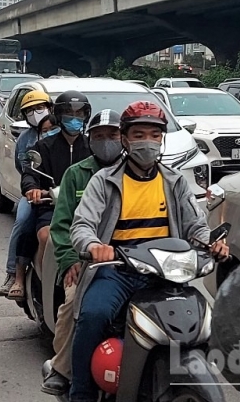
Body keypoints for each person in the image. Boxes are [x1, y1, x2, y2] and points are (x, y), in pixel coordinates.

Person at [67, 101, 229, 402]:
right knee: (94, 315)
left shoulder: (175, 181)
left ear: (162, 139)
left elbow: (196, 226)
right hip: (118, 271)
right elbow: (81, 226)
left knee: (203, 322)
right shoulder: (103, 181)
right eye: (139, 134)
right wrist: (94, 246)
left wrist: (211, 243)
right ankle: (81, 393)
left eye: (155, 135)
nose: (148, 142)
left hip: (166, 272)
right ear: (125, 140)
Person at [41, 109, 125, 396]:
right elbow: (63, 224)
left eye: (112, 135)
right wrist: (70, 261)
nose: (106, 141)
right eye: (99, 136)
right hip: (87, 261)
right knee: (73, 305)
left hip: (134, 262)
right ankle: (62, 369)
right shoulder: (77, 175)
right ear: (90, 140)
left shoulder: (139, 173)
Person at [20, 90, 93, 278]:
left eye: (79, 114)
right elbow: (29, 173)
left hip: (87, 209)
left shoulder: (92, 147)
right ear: (59, 116)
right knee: (45, 236)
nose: (74, 118)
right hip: (50, 207)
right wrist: (33, 189)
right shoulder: (43, 147)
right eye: (70, 114)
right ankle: (43, 283)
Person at [0, 89, 53, 300]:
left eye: (40, 108)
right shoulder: (25, 140)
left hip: (65, 192)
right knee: (23, 222)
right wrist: (33, 189)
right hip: (38, 193)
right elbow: (25, 171)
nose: (36, 113)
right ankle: (13, 273)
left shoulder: (68, 138)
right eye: (31, 110)